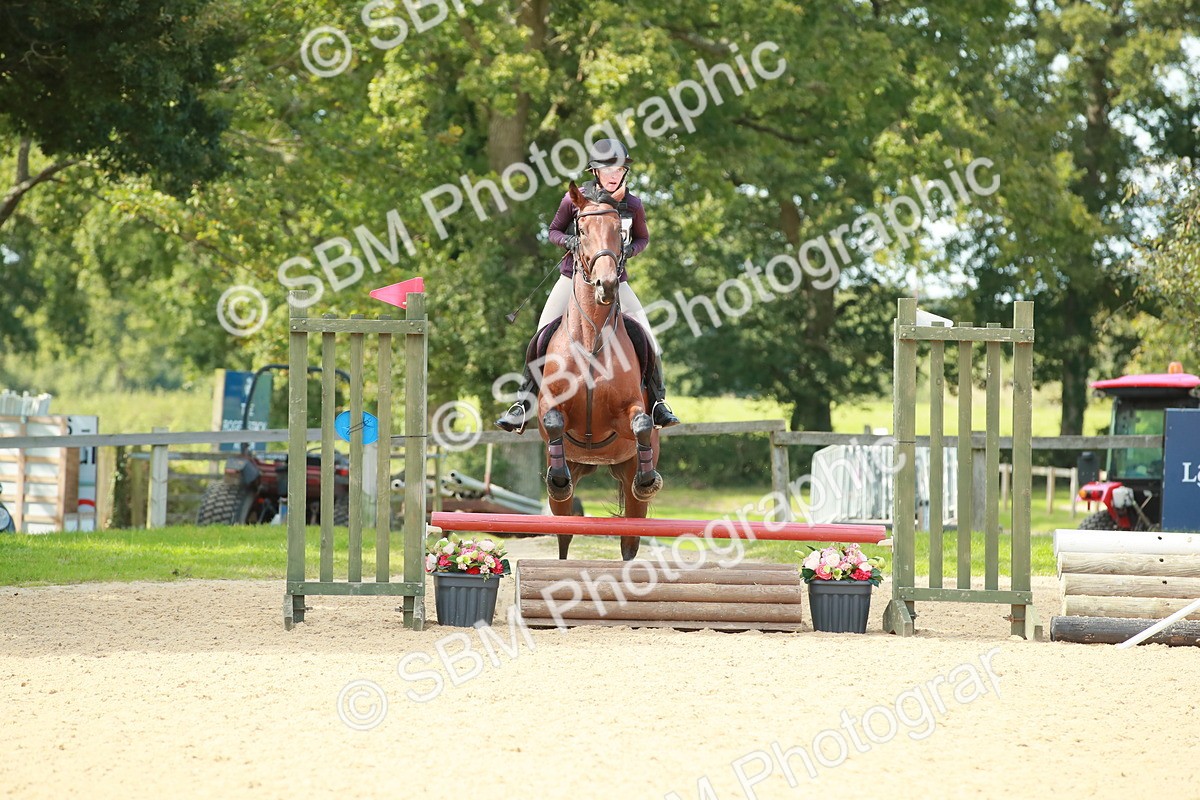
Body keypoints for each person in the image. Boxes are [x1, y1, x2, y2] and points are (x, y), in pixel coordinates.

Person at [495, 138, 680, 433]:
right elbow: (553, 230)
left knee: (649, 339)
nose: (614, 175)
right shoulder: (575, 199)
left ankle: (658, 403)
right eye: (607, 169)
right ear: (595, 171)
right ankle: (522, 404)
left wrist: (629, 250)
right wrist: (570, 241)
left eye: (619, 169)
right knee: (540, 336)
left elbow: (643, 238)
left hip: (615, 281)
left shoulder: (632, 204)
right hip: (572, 279)